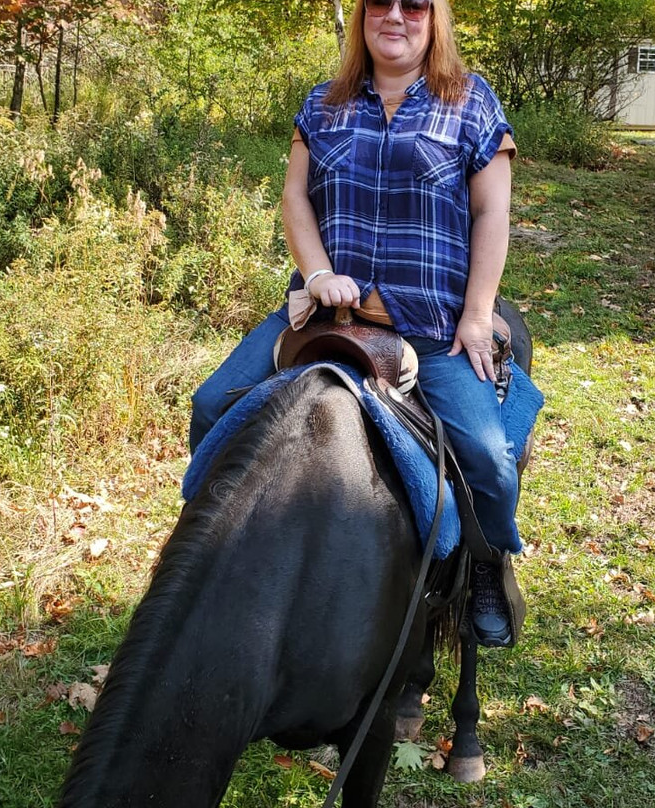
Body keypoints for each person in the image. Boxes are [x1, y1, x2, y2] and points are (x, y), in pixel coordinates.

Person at [190, 0, 524, 647]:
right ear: (362, 15)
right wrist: (316, 276)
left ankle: (486, 564)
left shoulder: (472, 101)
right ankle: (212, 561)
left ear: (436, 16)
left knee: (487, 456)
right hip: (324, 318)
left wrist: (479, 314)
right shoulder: (323, 104)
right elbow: (295, 199)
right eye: (379, 2)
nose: (394, 15)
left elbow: (492, 215)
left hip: (429, 324)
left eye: (414, 4)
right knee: (210, 405)